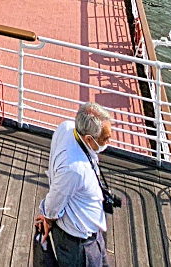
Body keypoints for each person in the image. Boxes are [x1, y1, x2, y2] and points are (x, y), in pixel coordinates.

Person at [34, 102, 119, 267]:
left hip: (90, 235)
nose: (109, 141)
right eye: (105, 138)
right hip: (79, 244)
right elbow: (56, 199)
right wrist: (48, 218)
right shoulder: (74, 169)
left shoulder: (66, 128)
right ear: (88, 139)